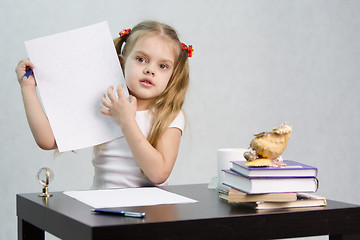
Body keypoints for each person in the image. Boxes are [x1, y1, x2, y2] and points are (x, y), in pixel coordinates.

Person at [15, 20, 193, 189]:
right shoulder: (108, 104)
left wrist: (127, 122)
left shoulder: (169, 115)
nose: (150, 70)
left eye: (163, 66)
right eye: (141, 59)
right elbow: (48, 140)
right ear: (122, 63)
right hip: (104, 208)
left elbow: (159, 174)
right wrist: (28, 88)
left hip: (152, 212)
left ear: (173, 76)